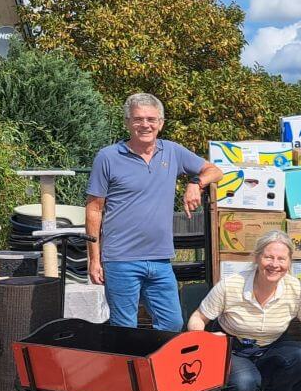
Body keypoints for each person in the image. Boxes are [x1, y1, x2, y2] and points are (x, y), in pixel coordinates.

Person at [86, 93, 222, 331]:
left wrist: (195, 183)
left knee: (172, 323)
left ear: (161, 123)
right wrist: (94, 259)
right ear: (127, 122)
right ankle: (127, 367)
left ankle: (152, 367)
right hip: (120, 259)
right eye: (138, 119)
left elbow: (215, 170)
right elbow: (94, 209)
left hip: (160, 258)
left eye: (151, 119)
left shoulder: (172, 152)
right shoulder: (108, 157)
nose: (145, 125)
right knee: (124, 328)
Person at [187, 231, 301, 391]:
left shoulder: (296, 289)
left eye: (281, 259)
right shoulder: (232, 285)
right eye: (268, 257)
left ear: (289, 262)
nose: (275, 264)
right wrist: (205, 340)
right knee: (245, 383)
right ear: (257, 258)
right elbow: (198, 317)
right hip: (233, 348)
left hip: (271, 347)